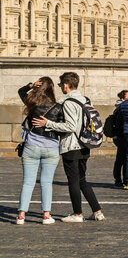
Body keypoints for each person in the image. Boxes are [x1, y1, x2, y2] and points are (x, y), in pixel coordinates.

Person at [35, 72, 104, 222]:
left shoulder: (68, 102)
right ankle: (97, 211)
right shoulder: (85, 99)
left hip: (71, 145)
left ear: (66, 85)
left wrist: (48, 123)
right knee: (82, 180)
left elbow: (70, 126)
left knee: (73, 180)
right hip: (85, 144)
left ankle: (77, 214)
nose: (60, 87)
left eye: (60, 85)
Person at [17, 77, 61, 225]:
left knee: (28, 183)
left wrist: (31, 85)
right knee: (46, 183)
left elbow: (21, 91)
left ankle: (21, 215)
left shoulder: (32, 103)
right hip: (51, 147)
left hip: (31, 147)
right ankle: (46, 215)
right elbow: (63, 127)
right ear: (52, 89)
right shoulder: (58, 107)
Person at [109, 89, 128, 189]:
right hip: (121, 136)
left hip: (122, 135)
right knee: (121, 159)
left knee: (124, 158)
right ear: (122, 99)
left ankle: (124, 179)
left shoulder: (122, 108)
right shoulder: (120, 109)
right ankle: (119, 180)